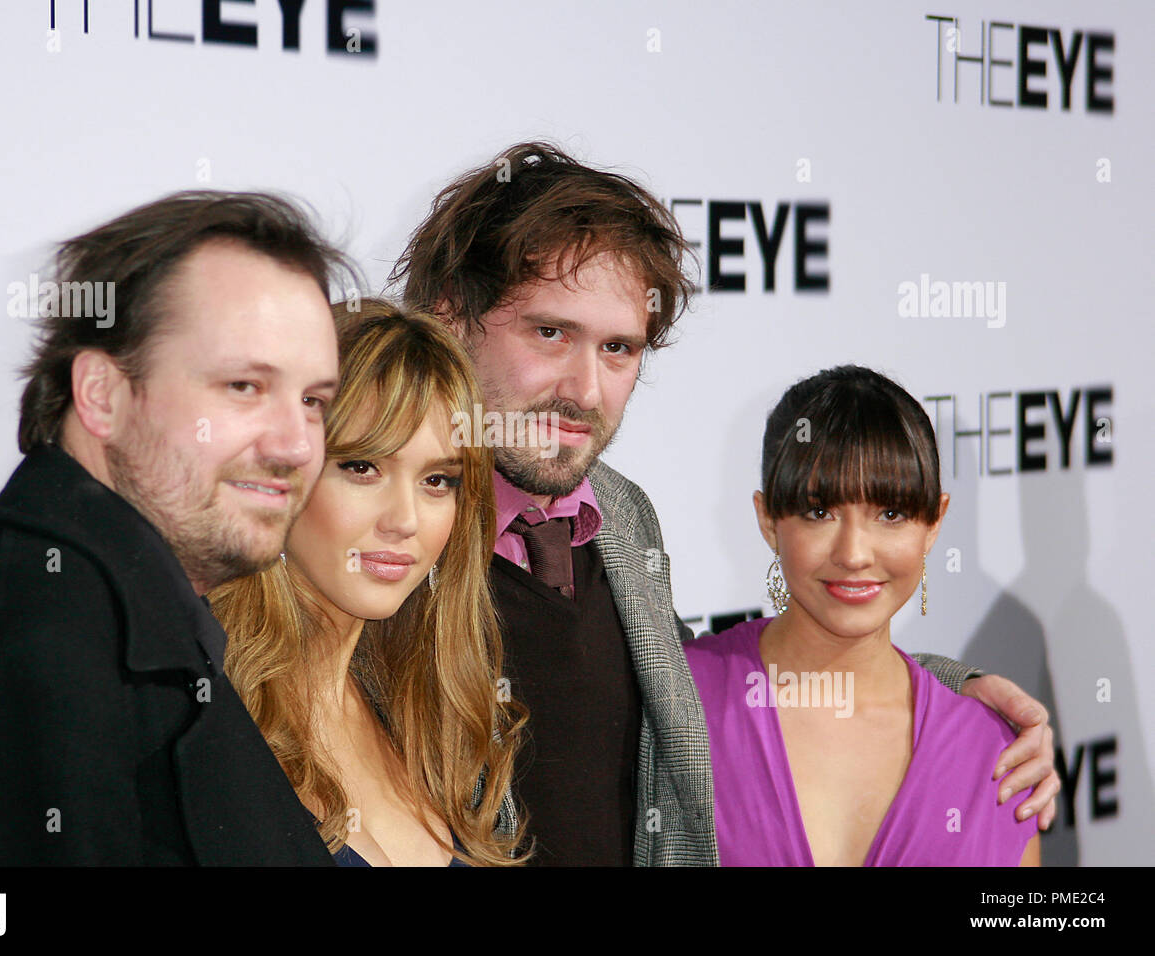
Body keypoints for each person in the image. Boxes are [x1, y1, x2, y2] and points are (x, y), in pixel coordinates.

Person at [390, 141, 1060, 864]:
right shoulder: (383, 529)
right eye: (551, 333)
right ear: (450, 316)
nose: (585, 390)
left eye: (618, 349)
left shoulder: (617, 514)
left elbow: (695, 674)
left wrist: (961, 694)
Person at [0, 191, 345, 864]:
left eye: (314, 400)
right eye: (244, 387)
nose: (295, 445)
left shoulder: (117, 619)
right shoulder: (39, 623)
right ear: (101, 395)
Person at [211, 300, 528, 866]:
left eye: (438, 480)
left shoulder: (431, 720)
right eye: (363, 467)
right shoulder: (202, 711)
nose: (404, 519)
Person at [684, 365, 1039, 865]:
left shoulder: (993, 753)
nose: (853, 553)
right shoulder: (678, 701)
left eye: (890, 514)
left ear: (933, 524)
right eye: (819, 512)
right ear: (768, 520)